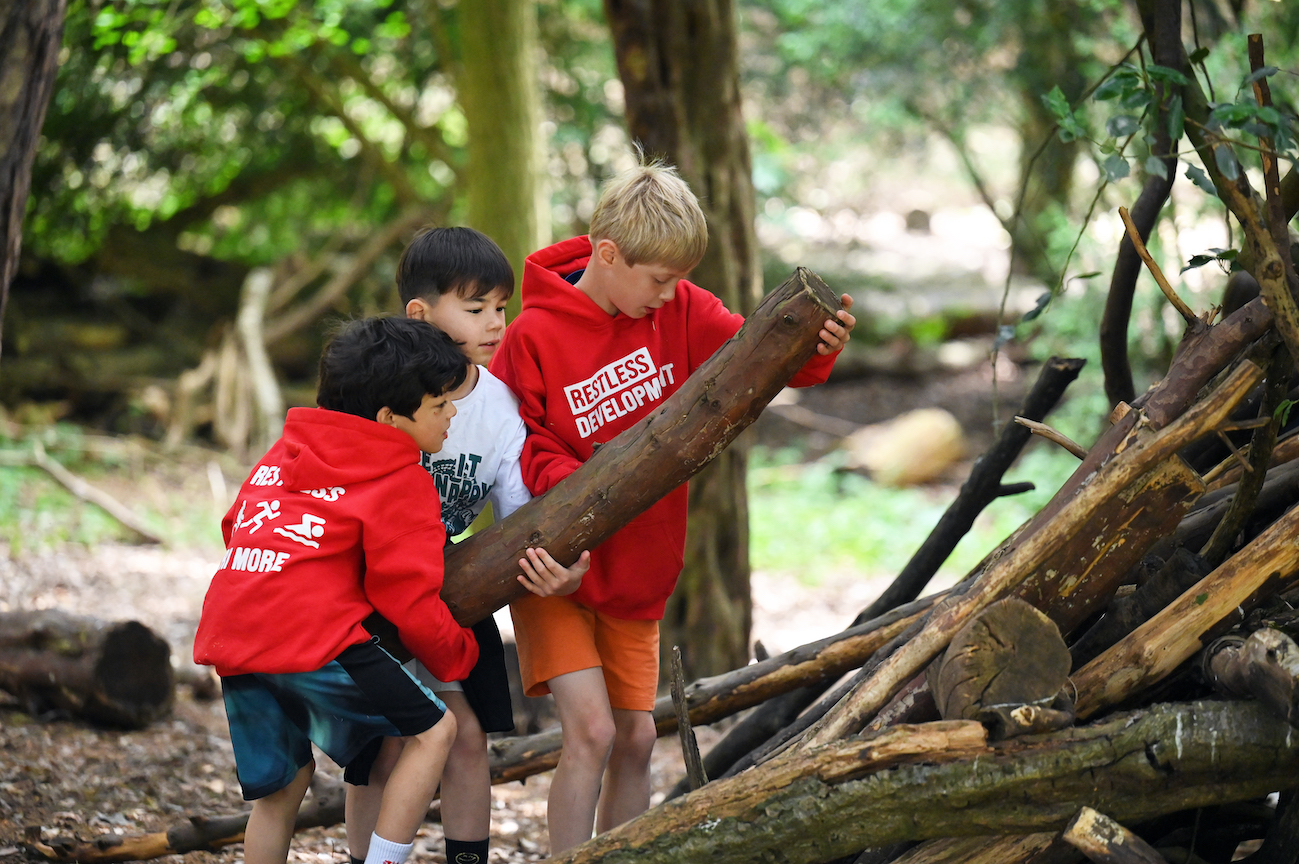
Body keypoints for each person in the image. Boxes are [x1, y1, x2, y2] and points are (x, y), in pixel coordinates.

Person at [489, 158, 856, 853]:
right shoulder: (531, 336)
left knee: (634, 738)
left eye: (677, 279)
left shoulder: (681, 308)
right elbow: (519, 449)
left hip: (639, 573)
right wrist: (581, 503)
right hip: (553, 572)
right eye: (657, 278)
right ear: (607, 255)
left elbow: (760, 359)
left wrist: (816, 345)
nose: (667, 293)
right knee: (591, 732)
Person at [345, 227, 590, 864]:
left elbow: (519, 517)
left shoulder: (500, 405)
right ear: (420, 314)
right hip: (364, 592)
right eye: (476, 308)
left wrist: (558, 569)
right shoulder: (375, 392)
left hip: (447, 588)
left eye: (501, 307)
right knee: (381, 746)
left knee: (467, 738)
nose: (495, 323)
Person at [193, 316, 478, 864]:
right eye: (440, 405)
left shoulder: (284, 453)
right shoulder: (401, 479)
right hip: (312, 637)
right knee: (435, 733)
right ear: (389, 418)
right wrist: (457, 654)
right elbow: (410, 600)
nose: (452, 415)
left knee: (283, 788)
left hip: (235, 634)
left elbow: (236, 527)